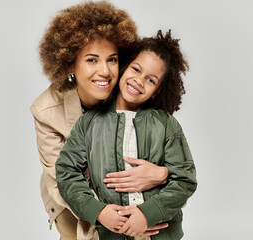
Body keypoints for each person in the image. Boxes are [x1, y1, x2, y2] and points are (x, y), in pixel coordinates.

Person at [31, 2, 169, 239]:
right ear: (70, 63)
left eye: (112, 59)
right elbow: (59, 181)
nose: (105, 71)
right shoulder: (46, 111)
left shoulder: (132, 92)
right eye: (92, 60)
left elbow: (174, 163)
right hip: (70, 206)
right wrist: (102, 212)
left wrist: (161, 175)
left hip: (130, 201)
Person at [56, 30, 198, 240]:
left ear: (157, 90)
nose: (139, 81)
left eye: (151, 80)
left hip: (160, 233)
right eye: (136, 69)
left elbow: (185, 179)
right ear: (124, 68)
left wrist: (147, 214)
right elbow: (66, 172)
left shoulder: (166, 124)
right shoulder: (89, 123)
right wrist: (99, 211)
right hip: (110, 233)